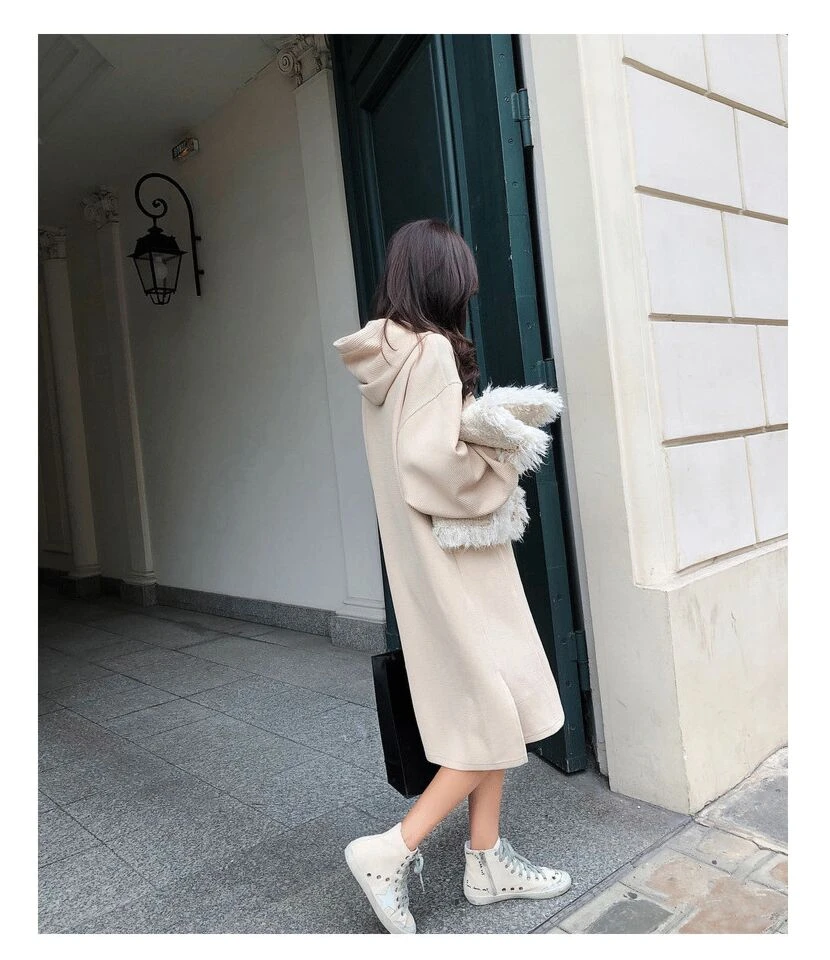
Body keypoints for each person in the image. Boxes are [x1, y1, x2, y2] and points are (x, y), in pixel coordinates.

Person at [332, 218, 570, 935]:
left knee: (489, 707)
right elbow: (432, 464)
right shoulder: (431, 350)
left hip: (423, 563)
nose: (469, 286)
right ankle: (391, 850)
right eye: (462, 274)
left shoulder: (385, 356)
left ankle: (487, 859)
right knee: (494, 712)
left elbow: (407, 456)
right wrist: (500, 458)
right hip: (457, 562)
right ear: (443, 278)